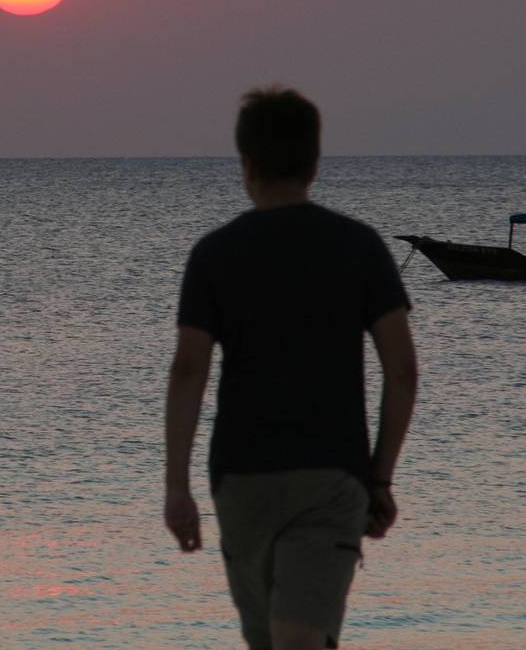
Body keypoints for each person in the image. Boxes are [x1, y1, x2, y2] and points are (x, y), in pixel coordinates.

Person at [165, 87, 419, 650]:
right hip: (331, 478)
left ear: (247, 164)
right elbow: (402, 370)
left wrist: (176, 487)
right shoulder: (359, 247)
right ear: (313, 164)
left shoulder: (215, 254)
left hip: (242, 481)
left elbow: (188, 371)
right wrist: (379, 476)